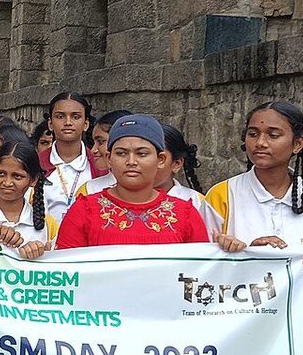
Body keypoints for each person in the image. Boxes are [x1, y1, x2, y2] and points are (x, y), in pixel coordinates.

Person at [204, 101, 303, 292]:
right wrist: (248, 255)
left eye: (273, 135)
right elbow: (201, 273)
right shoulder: (221, 196)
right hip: (238, 317)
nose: (260, 142)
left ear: (297, 144)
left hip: (296, 319)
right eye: (253, 134)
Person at [54, 114, 210, 249]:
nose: (131, 161)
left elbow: (200, 271)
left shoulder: (185, 215)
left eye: (142, 154)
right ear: (109, 159)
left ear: (160, 159)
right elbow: (67, 272)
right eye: (121, 153)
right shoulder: (84, 211)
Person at [0, 140, 55, 259]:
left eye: (17, 176)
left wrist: (41, 256)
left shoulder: (48, 225)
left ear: (34, 180)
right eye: (1, 174)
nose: (7, 183)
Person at [39, 92, 94, 219]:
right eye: (60, 116)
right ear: (50, 123)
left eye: (75, 117)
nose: (68, 122)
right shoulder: (36, 163)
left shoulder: (98, 166)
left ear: (86, 124)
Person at [87, 109, 131, 181]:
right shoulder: (88, 189)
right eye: (93, 143)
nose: (93, 150)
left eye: (101, 142)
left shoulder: (152, 188)